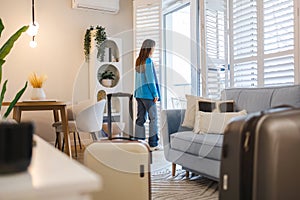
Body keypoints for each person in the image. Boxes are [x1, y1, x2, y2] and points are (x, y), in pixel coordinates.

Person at [134, 39, 161, 151]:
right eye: (153, 47)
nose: (154, 50)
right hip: (148, 95)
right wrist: (155, 94)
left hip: (139, 94)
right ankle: (153, 144)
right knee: (153, 118)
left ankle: (139, 142)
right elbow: (150, 80)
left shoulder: (138, 60)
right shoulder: (148, 61)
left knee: (140, 118)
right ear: (149, 48)